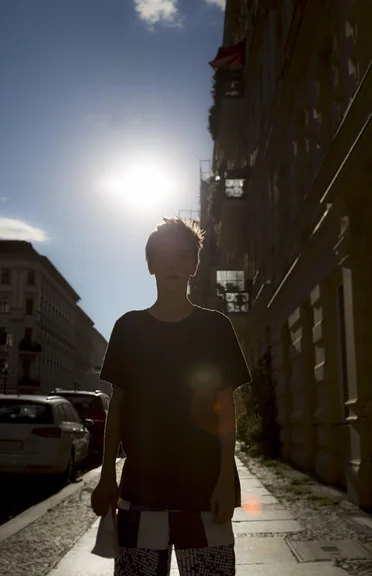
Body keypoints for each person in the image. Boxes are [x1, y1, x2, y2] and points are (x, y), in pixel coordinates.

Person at [91, 217, 251, 576]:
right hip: (141, 490)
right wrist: (106, 476)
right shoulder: (128, 328)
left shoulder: (215, 327)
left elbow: (225, 408)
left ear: (195, 265)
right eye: (163, 256)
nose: (172, 264)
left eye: (182, 255)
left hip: (205, 491)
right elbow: (117, 405)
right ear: (149, 264)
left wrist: (228, 478)